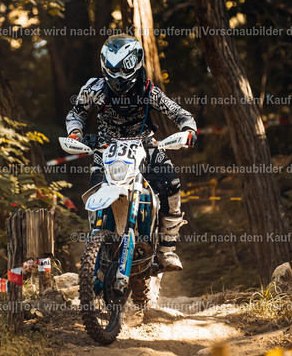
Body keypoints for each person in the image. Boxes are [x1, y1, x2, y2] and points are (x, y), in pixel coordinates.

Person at [65, 34, 197, 271]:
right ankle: (99, 242)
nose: (119, 76)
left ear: (136, 64)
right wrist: (75, 133)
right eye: (113, 69)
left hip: (145, 146)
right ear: (105, 66)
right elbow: (76, 113)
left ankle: (166, 249)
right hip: (106, 148)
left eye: (124, 69)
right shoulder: (94, 88)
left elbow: (180, 113)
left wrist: (188, 130)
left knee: (172, 184)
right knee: (94, 191)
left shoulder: (149, 91)